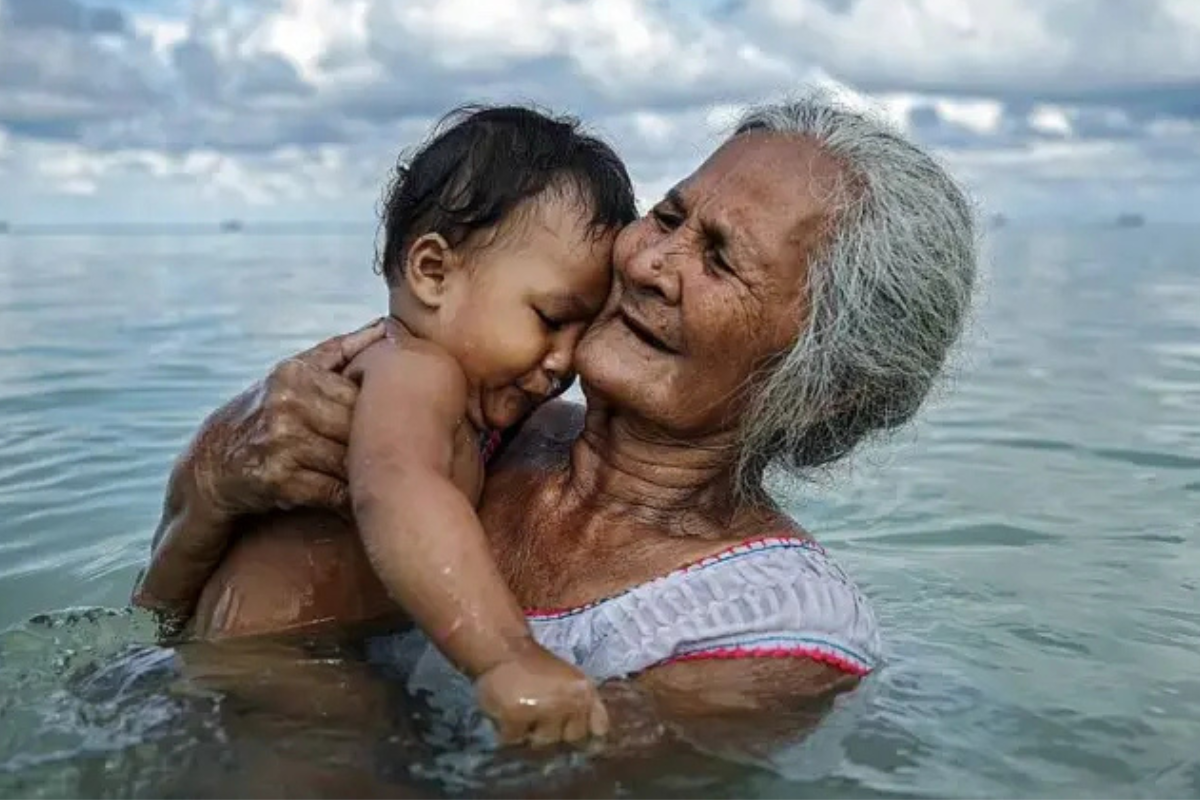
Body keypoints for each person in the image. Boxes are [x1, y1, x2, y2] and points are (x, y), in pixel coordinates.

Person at [133, 92, 977, 744]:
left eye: (718, 259)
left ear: (828, 382)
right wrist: (213, 482)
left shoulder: (773, 639)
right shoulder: (480, 418)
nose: (649, 262)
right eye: (670, 217)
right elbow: (154, 627)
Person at [344, 105, 634, 745]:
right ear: (433, 272)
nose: (566, 360)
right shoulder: (414, 370)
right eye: (551, 318)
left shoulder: (472, 404)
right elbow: (397, 484)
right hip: (270, 681)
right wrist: (507, 655)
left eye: (584, 331)